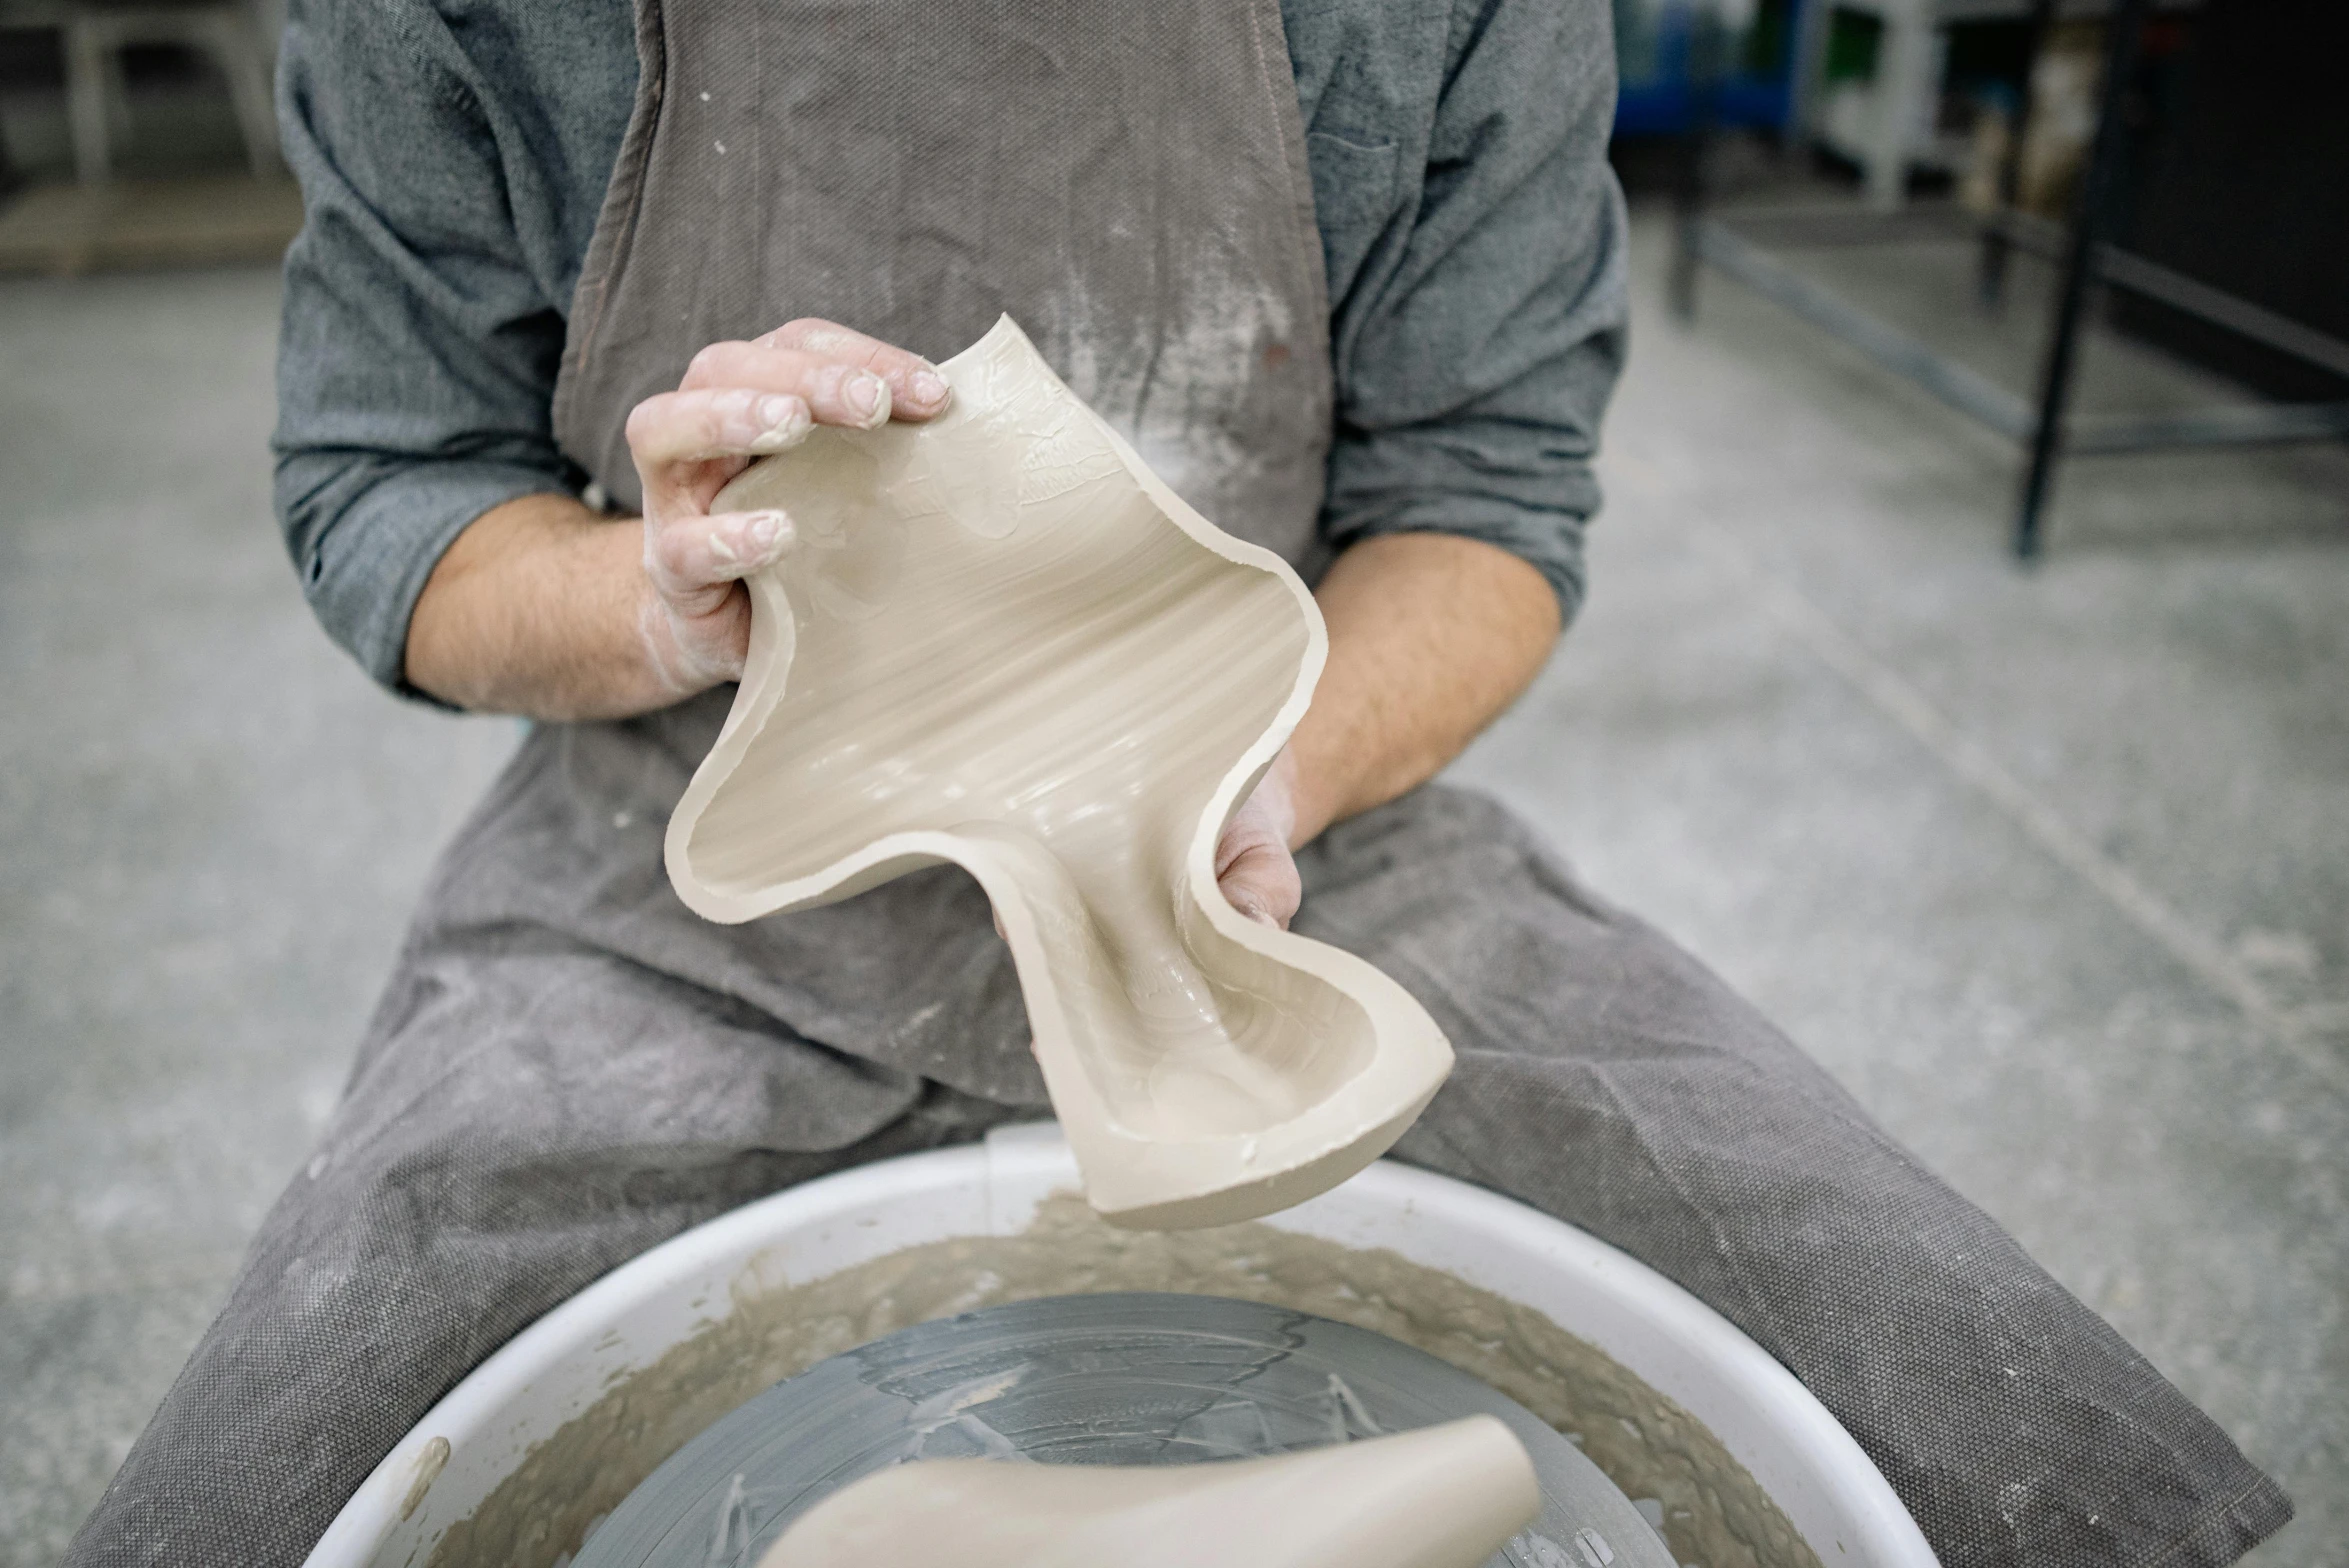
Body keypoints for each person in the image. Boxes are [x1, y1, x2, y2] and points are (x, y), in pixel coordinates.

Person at [67, 0, 2290, 1564]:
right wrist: (646, 594)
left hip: (1283, 822)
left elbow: (1491, 504)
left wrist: (1250, 779)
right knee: (303, 1446)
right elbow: (386, 492)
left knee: (1931, 1372)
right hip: (678, 841)